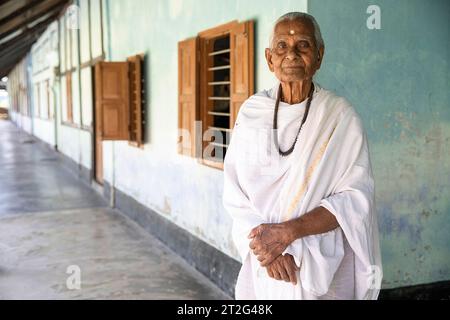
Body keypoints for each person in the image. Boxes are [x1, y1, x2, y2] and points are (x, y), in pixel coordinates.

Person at [223, 12, 382, 300]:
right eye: (282, 46)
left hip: (320, 262)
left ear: (319, 56)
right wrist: (269, 251)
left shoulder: (339, 116)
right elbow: (235, 193)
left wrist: (287, 234)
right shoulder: (252, 112)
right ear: (270, 59)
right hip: (266, 262)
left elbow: (356, 198)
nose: (292, 54)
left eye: (303, 45)